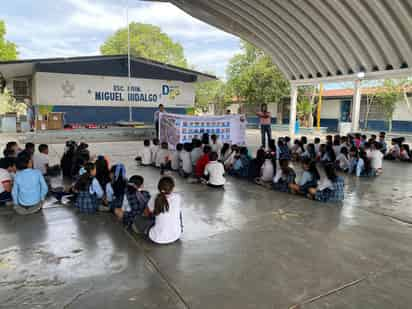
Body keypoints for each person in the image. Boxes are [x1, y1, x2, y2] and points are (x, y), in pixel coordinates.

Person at [133, 176, 183, 245]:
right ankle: (179, 227)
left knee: (138, 219)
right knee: (178, 212)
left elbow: (145, 213)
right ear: (173, 188)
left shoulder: (155, 198)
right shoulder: (178, 197)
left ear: (158, 188)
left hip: (157, 238)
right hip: (176, 235)